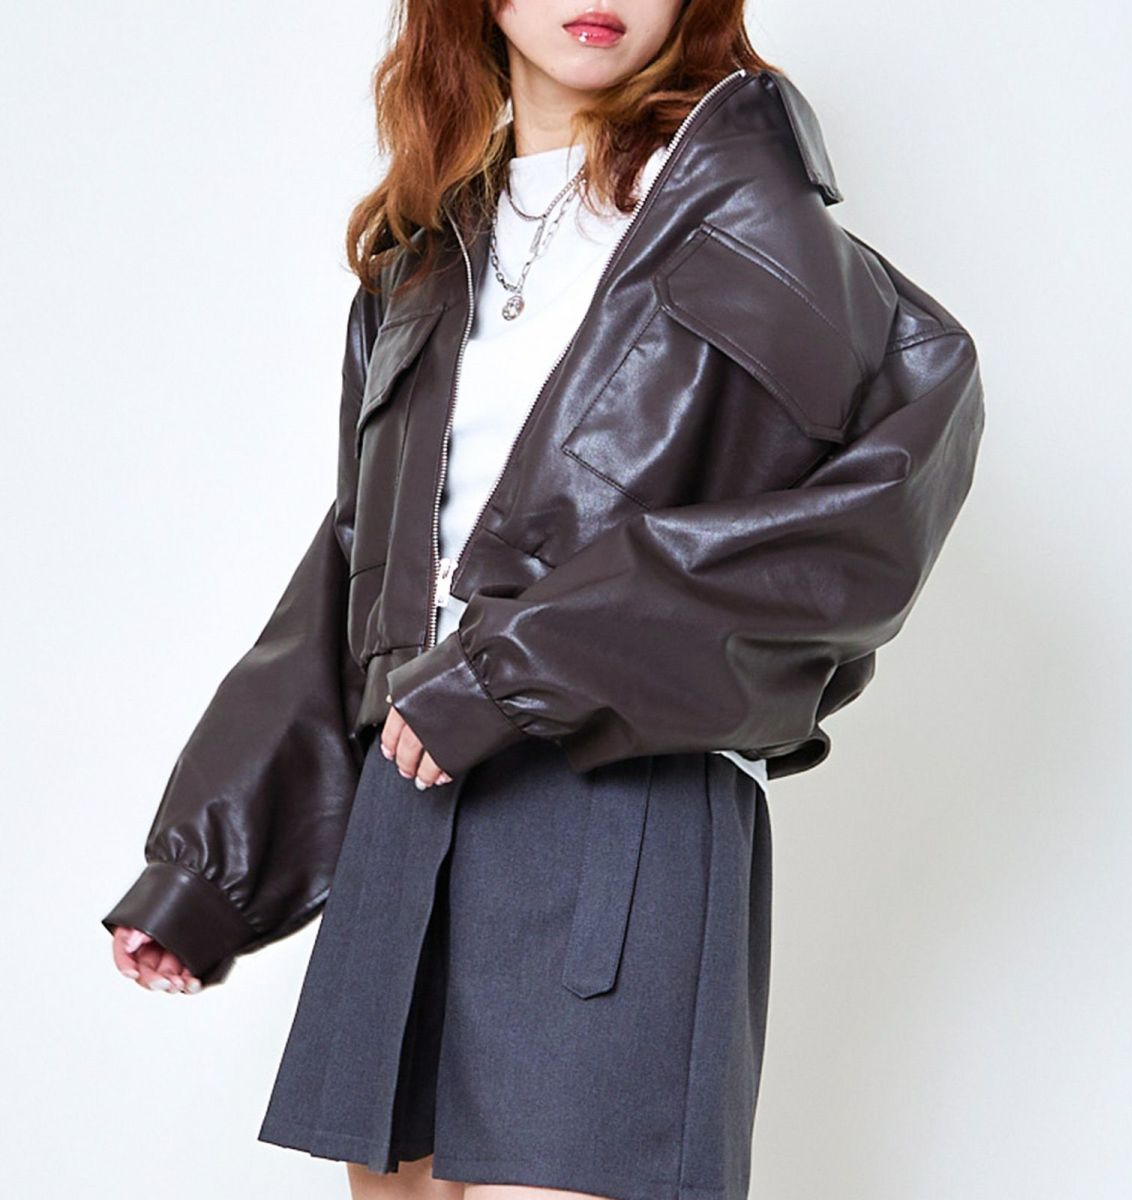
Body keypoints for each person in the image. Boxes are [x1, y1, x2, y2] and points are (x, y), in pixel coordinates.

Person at [103, 2, 985, 1198]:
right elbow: (359, 568)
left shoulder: (754, 230)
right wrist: (211, 870)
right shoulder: (421, 264)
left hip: (622, 799)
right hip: (409, 801)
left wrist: (527, 663)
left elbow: (870, 524)